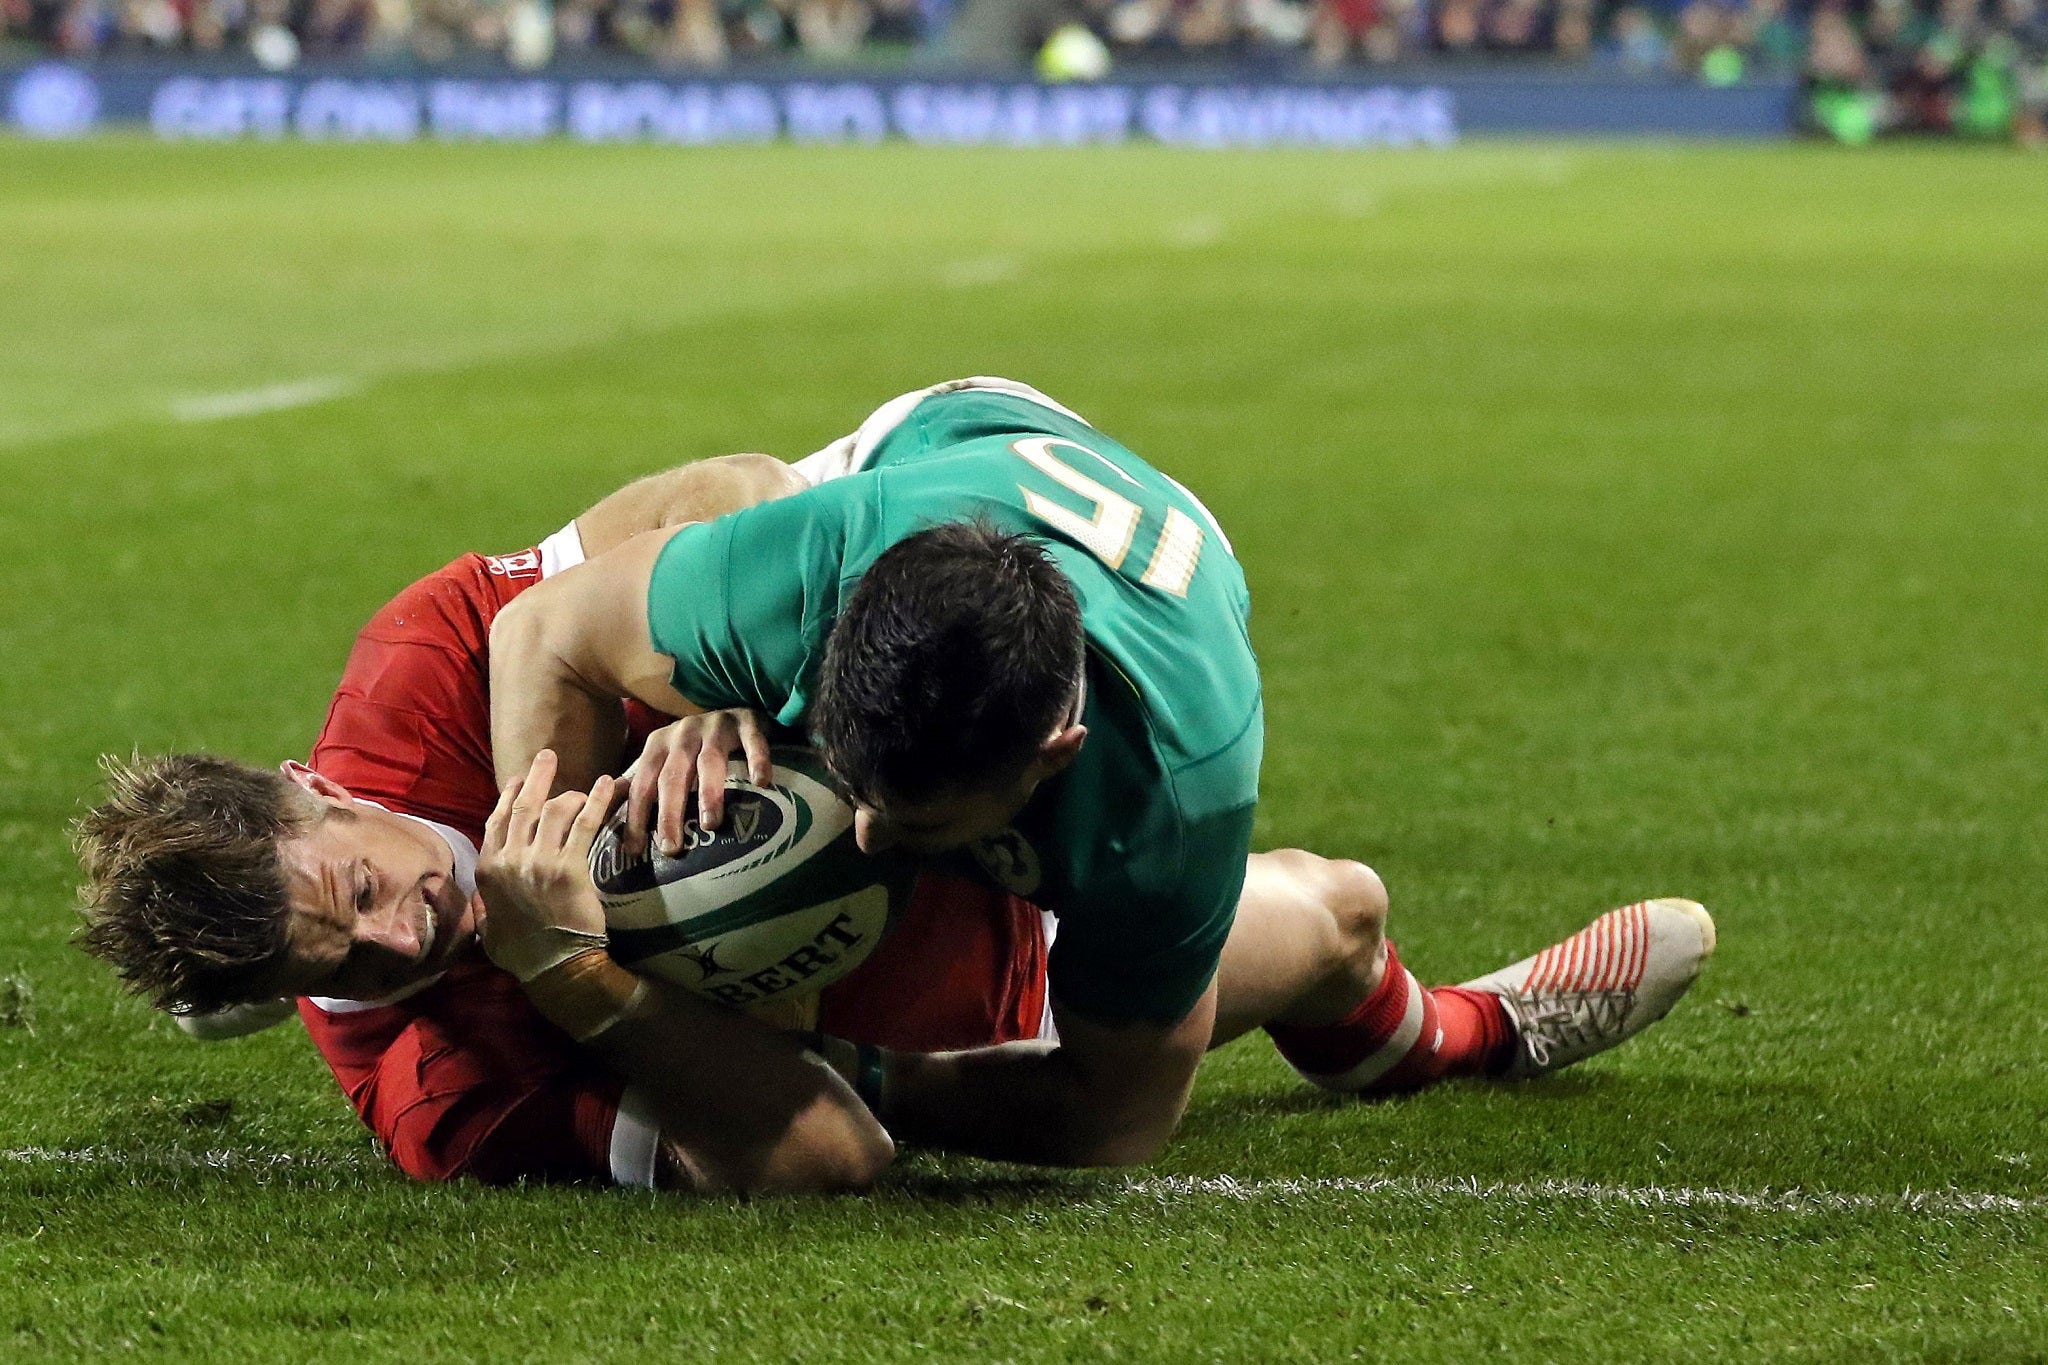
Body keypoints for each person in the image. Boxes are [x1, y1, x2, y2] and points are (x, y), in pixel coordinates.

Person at [484, 376, 1720, 1170]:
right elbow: (535, 634)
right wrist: (568, 862)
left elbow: (1110, 1122)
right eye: (850, 787)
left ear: (1049, 759)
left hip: (1150, 631)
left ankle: (1452, 1032)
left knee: (1322, 927)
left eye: (912, 823)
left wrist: (842, 1079)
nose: (862, 835)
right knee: (715, 497)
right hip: (945, 450)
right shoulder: (820, 559)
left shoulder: (1168, 795)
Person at [75, 454, 1052, 1193]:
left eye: (360, 890)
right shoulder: (438, 1091)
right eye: (341, 972)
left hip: (953, 737)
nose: (403, 942)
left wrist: (717, 684)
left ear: (320, 789)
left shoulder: (427, 673)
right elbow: (830, 1159)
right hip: (1010, 998)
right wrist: (582, 981)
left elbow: (740, 484)